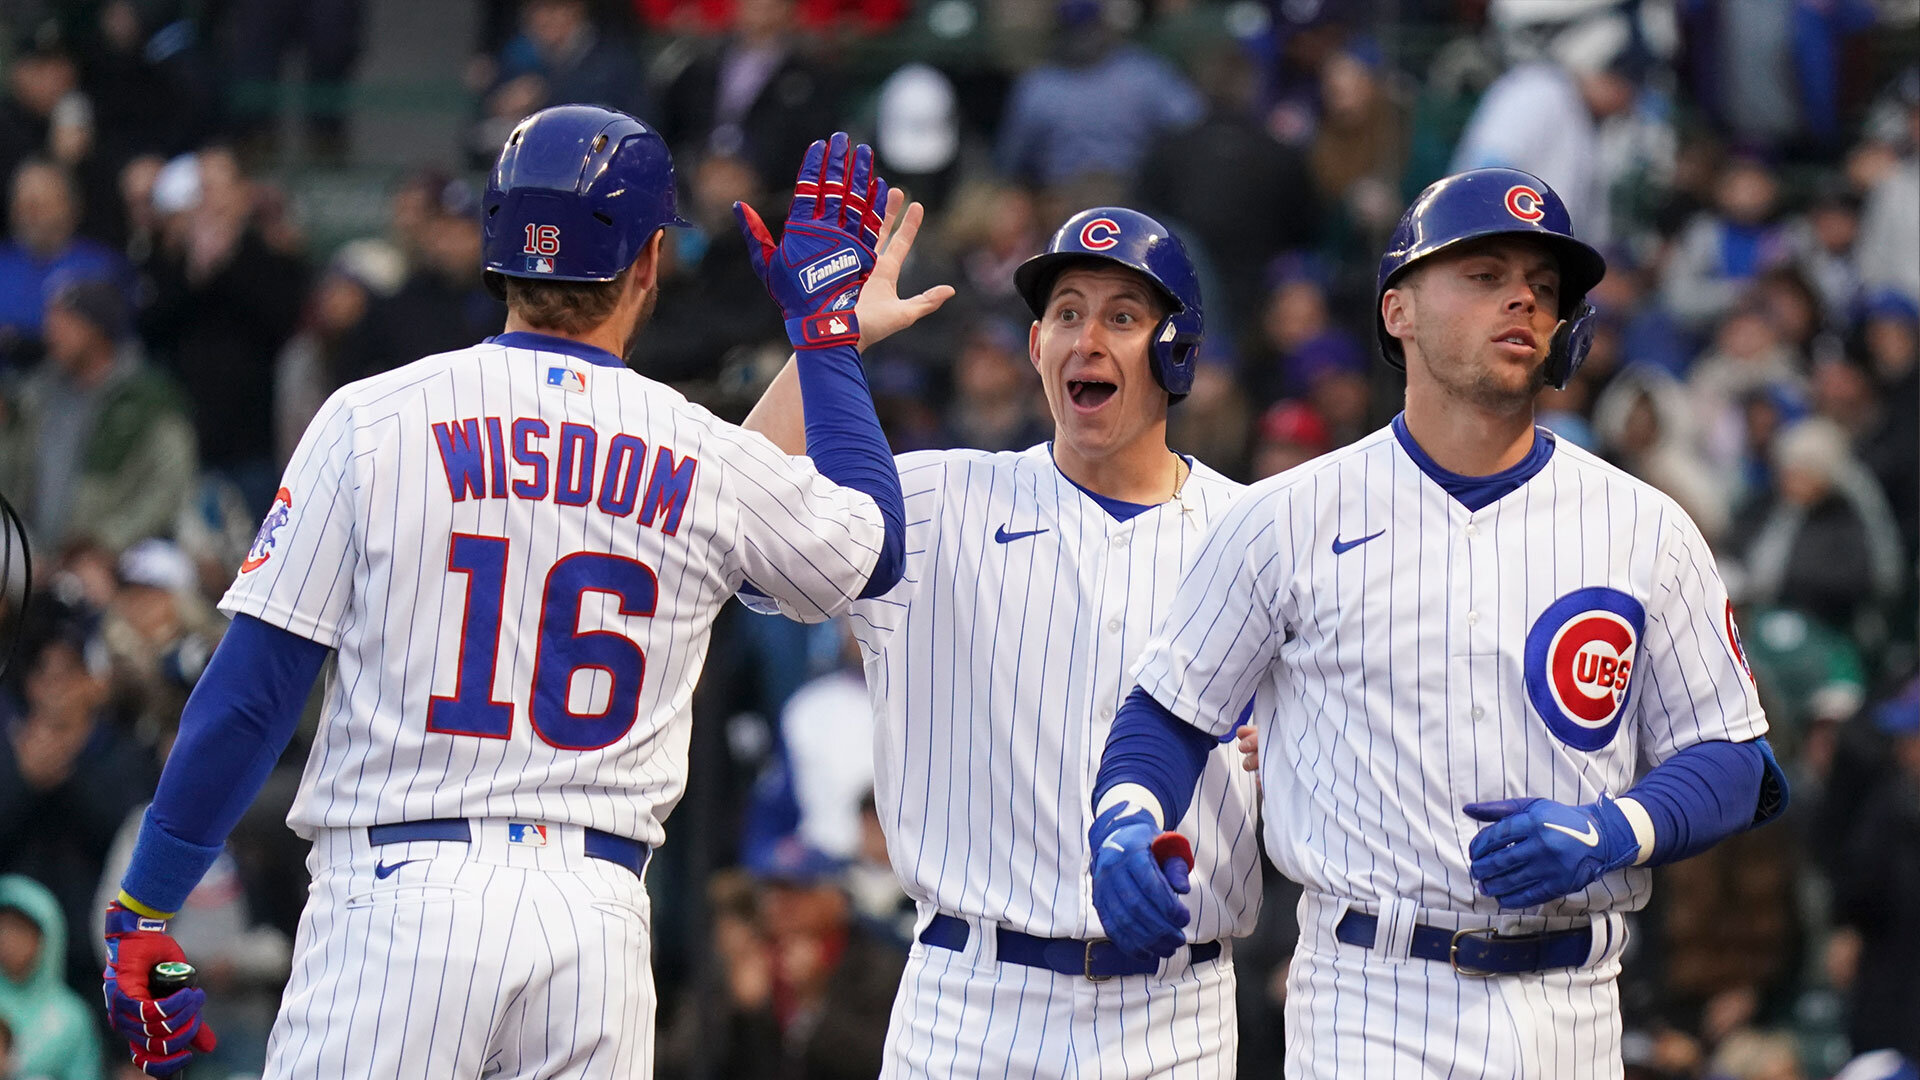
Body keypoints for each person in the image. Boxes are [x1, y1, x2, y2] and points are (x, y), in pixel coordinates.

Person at [93, 108, 909, 1078]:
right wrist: (825, 331)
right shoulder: (701, 449)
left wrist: (147, 907)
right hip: (595, 924)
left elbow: (251, 697)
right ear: (651, 258)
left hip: (402, 902)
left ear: (495, 246)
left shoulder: (373, 420)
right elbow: (877, 545)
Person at [1087, 168, 1789, 1078]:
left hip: (1573, 1006)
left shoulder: (1644, 526)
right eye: (1486, 275)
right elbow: (1170, 712)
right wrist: (1125, 817)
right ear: (1398, 311)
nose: (1523, 301)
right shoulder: (1287, 515)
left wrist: (1616, 831)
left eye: (1543, 287)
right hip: (1369, 996)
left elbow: (1736, 760)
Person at [742, 204, 1261, 1077]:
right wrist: (824, 344)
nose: (1086, 340)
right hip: (967, 1004)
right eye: (1066, 314)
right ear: (1034, 348)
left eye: (1122, 318)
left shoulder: (1257, 532)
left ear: (1178, 351)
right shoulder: (936, 497)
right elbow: (742, 534)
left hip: (1176, 1012)